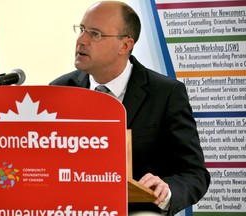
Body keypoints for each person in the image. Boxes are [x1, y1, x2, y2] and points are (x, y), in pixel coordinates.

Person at [49, 1, 210, 215]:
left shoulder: (166, 94)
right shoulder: (59, 90)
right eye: (82, 30)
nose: (81, 40)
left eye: (95, 34)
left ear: (125, 46)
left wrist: (166, 190)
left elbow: (194, 173)